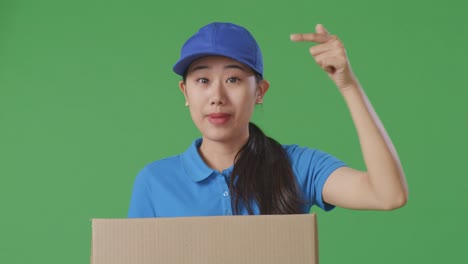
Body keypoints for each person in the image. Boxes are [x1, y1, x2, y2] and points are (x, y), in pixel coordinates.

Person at [127, 22, 408, 218]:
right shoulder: (154, 182)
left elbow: (388, 195)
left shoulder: (298, 166)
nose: (217, 96)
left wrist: (348, 85)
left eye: (233, 79)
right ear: (185, 91)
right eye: (203, 80)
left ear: (259, 92)